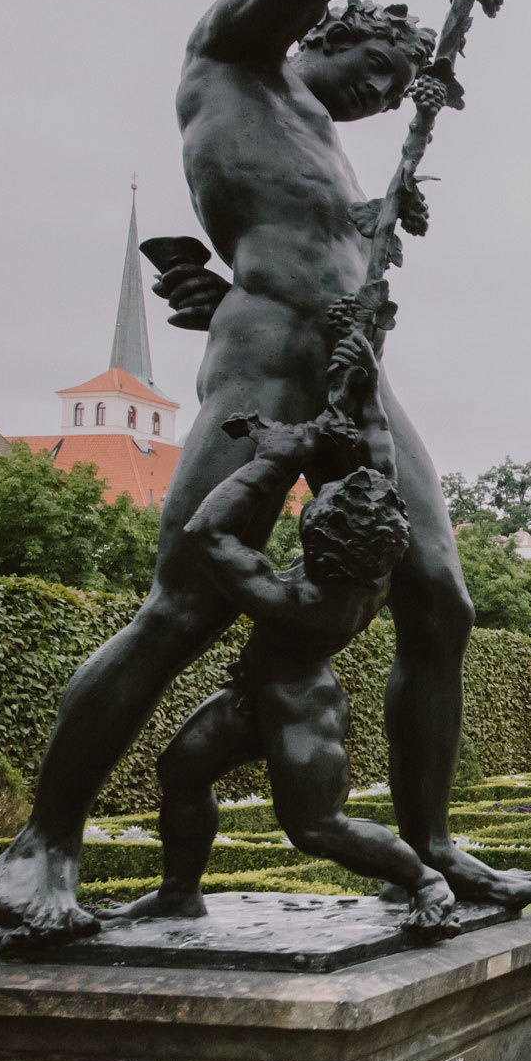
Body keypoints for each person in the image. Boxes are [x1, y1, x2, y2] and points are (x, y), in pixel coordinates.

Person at [0, 0, 531, 950]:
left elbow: (324, 239)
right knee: (183, 609)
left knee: (441, 604)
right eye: (371, 69)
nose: (378, 96)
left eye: (393, 88)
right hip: (266, 365)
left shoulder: (319, 135)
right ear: (327, 32)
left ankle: (425, 849)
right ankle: (42, 841)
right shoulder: (232, 58)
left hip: (355, 378)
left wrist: (375, 222)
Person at [95, 336, 460, 939]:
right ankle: (178, 894)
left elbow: (208, 533)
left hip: (300, 711)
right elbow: (381, 463)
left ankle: (425, 882)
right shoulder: (372, 561)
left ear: (322, 541)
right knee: (182, 771)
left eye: (322, 506)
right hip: (254, 696)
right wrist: (363, 388)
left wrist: (273, 460)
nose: (319, 497)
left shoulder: (303, 603)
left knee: (318, 827)